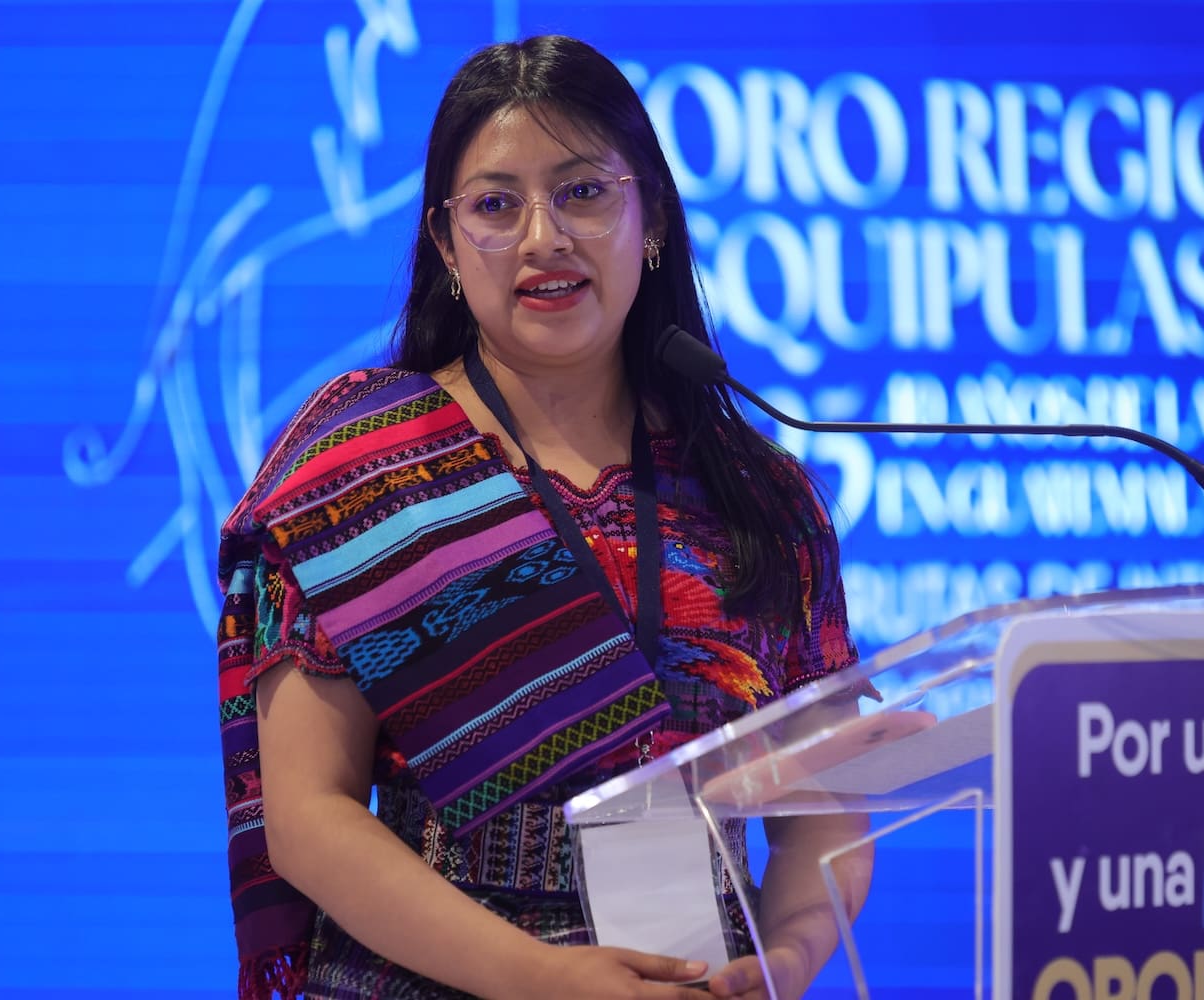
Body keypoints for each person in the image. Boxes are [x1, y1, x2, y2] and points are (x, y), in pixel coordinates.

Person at [216, 34, 874, 1000]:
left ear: (649, 215)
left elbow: (825, 820)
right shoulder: (358, 474)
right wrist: (540, 978)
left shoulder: (759, 499)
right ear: (444, 244)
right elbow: (309, 817)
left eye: (582, 192)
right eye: (494, 205)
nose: (542, 238)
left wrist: (778, 968)